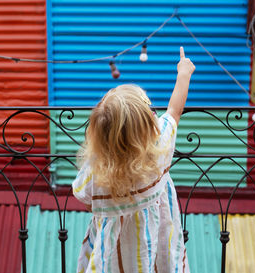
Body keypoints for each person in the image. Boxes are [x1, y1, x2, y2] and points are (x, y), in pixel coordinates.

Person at [72, 47, 195, 273]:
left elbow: (84, 197)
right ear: (147, 128)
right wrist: (184, 73)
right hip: (156, 247)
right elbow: (174, 110)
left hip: (111, 257)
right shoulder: (159, 149)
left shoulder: (95, 169)